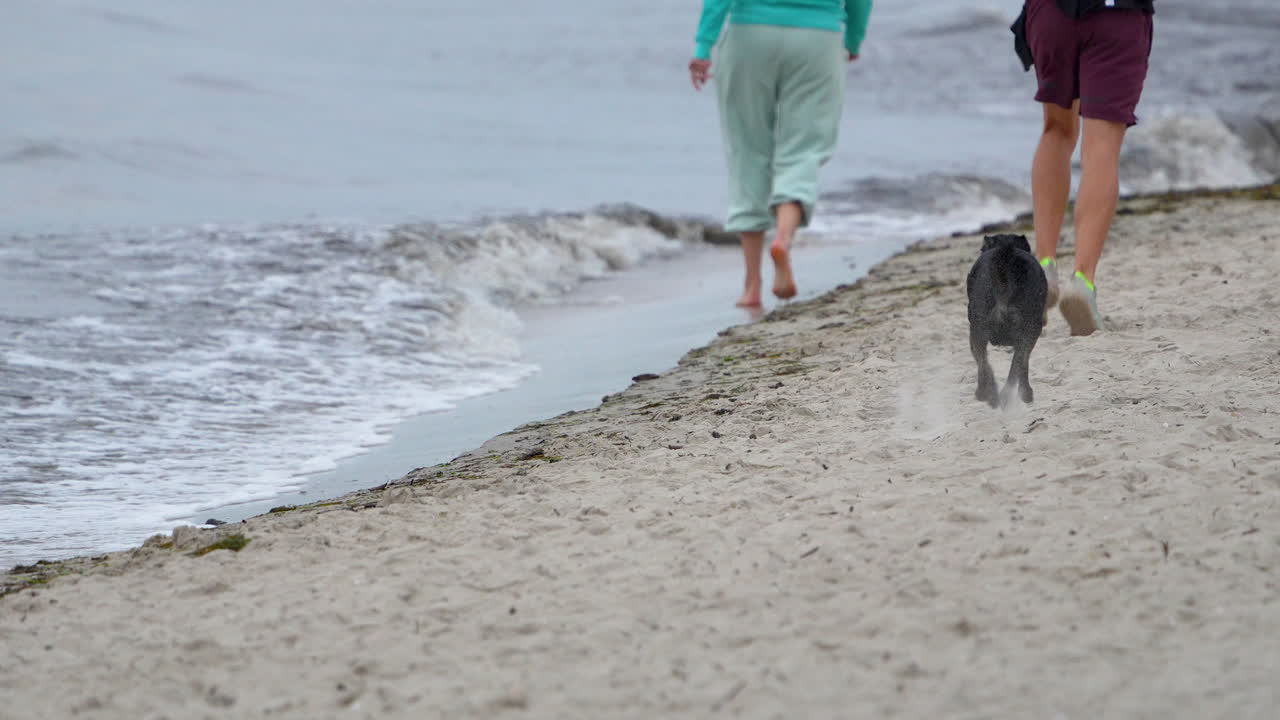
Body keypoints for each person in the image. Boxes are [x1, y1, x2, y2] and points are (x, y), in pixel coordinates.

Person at [690, 1, 873, 308]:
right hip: (818, 37)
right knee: (803, 149)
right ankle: (783, 240)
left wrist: (703, 47)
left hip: (749, 34)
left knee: (747, 151)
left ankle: (751, 286)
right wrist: (853, 39)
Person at [1015, 0, 1155, 335]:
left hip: (1052, 14)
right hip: (1118, 15)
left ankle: (1044, 265)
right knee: (1102, 147)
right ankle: (1083, 280)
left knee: (1056, 131)